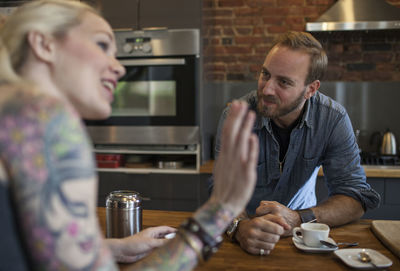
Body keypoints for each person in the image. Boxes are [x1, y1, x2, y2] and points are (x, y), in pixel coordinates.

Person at [0, 0, 259, 270]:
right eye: (101, 45)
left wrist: (116, 248)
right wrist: (219, 211)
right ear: (44, 44)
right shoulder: (44, 119)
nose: (120, 67)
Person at [212, 31, 381, 256]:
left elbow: (356, 197)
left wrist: (299, 218)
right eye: (265, 74)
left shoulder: (333, 119)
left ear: (311, 89)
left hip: (302, 234)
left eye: (283, 82)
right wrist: (238, 226)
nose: (267, 89)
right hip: (245, 236)